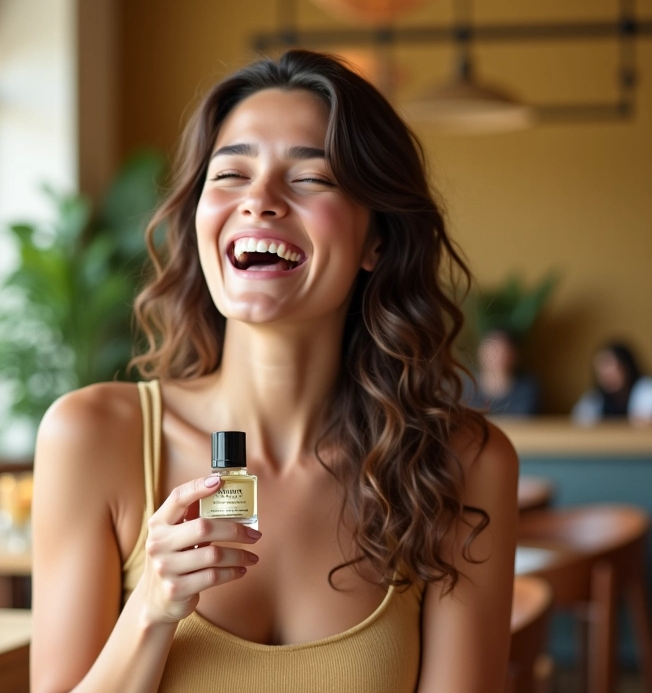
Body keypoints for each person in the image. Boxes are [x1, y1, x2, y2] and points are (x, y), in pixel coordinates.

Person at [31, 50, 518, 693]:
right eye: (230, 174)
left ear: (377, 240)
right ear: (199, 218)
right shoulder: (93, 436)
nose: (259, 201)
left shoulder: (462, 463)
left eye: (311, 179)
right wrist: (151, 607)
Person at [572, 341, 652, 426]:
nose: (608, 377)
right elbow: (579, 419)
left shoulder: (646, 390)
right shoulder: (596, 398)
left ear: (626, 367)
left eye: (612, 371)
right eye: (602, 373)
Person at [464, 328, 540, 416]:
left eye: (503, 351)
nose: (497, 357)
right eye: (492, 350)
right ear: (480, 352)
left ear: (515, 355)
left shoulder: (527, 390)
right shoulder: (465, 389)